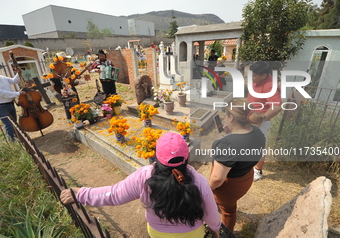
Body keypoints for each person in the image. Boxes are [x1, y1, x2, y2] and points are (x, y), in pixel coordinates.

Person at [60, 132, 221, 237]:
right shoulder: (199, 180)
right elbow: (211, 213)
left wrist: (81, 193)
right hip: (193, 234)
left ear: (156, 156)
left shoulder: (144, 177)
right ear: (186, 157)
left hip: (158, 234)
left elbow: (113, 195)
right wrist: (216, 230)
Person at [209, 99, 266, 232]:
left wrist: (207, 188)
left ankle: (226, 234)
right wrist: (231, 133)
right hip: (246, 178)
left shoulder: (226, 145)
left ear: (231, 118)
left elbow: (217, 178)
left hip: (229, 187)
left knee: (228, 211)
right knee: (229, 205)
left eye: (226, 116)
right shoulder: (258, 133)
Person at [246, 61, 282, 181]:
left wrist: (263, 118)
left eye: (254, 75)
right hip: (251, 118)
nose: (251, 78)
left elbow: (276, 107)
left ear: (264, 75)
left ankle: (258, 171)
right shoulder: (258, 81)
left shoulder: (270, 86)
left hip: (260, 122)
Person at [0, 68, 26, 140]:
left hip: (10, 104)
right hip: (1, 106)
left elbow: (15, 81)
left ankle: (17, 138)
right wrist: (17, 93)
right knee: (8, 124)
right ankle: (12, 141)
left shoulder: (2, 77)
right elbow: (2, 93)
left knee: (14, 122)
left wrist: (18, 73)